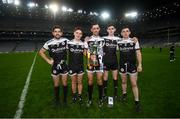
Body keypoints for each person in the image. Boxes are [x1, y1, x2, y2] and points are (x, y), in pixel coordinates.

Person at [39, 25, 69, 106]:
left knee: (65, 83)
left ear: (61, 33)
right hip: (55, 65)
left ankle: (65, 100)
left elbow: (75, 43)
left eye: (59, 31)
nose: (57, 33)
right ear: (53, 33)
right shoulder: (48, 43)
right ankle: (57, 100)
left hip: (64, 65)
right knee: (56, 84)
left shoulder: (66, 40)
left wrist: (86, 40)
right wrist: (48, 60)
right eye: (55, 31)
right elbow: (41, 52)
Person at [117, 27, 142, 112]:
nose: (125, 32)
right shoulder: (118, 42)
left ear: (130, 32)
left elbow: (138, 53)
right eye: (123, 31)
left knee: (134, 84)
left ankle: (137, 102)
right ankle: (124, 95)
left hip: (132, 65)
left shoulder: (134, 41)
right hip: (122, 65)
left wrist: (140, 64)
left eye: (127, 31)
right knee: (123, 81)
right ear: (121, 33)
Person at [84, 23, 104, 107]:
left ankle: (100, 99)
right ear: (91, 30)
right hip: (90, 63)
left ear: (99, 29)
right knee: (90, 81)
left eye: (97, 28)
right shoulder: (87, 40)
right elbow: (84, 52)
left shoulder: (103, 39)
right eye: (94, 28)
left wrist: (133, 38)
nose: (96, 30)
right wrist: (90, 56)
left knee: (99, 80)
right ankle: (89, 99)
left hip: (100, 63)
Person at [67, 27, 86, 104]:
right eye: (77, 33)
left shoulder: (83, 44)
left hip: (80, 66)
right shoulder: (69, 43)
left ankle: (80, 95)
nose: (78, 34)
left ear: (81, 35)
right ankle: (74, 95)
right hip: (71, 66)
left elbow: (85, 54)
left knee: (80, 82)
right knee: (73, 82)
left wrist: (91, 56)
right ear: (74, 33)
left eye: (80, 33)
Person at [102, 24, 120, 100]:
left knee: (115, 77)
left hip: (114, 61)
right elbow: (94, 40)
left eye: (112, 28)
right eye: (109, 29)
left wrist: (133, 39)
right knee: (105, 77)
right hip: (105, 60)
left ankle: (115, 94)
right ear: (107, 30)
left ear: (114, 29)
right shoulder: (103, 39)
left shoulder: (118, 39)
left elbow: (127, 40)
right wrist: (87, 38)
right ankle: (104, 94)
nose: (111, 30)